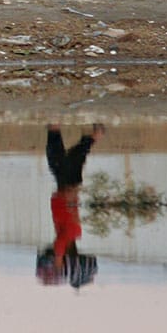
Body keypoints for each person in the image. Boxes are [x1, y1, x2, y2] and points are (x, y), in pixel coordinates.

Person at [35, 123, 104, 288]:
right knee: (57, 159)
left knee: (76, 156)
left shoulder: (74, 234)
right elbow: (59, 245)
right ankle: (55, 130)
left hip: (66, 190)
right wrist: (58, 261)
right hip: (66, 191)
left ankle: (94, 135)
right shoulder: (68, 237)